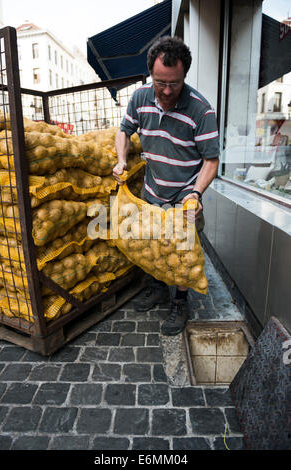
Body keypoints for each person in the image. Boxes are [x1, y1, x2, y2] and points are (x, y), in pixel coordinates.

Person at [113, 36, 219, 336]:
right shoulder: (139, 98)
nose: (168, 90)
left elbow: (211, 160)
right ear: (151, 75)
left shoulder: (201, 110)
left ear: (184, 75)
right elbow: (124, 131)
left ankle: (180, 302)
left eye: (175, 83)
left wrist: (196, 193)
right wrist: (121, 160)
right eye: (161, 83)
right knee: (154, 244)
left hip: (185, 194)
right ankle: (157, 287)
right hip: (153, 190)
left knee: (183, 252)